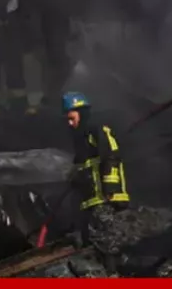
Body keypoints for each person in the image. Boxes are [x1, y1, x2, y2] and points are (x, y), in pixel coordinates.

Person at [62, 92, 130, 251]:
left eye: (72, 118)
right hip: (92, 200)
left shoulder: (96, 129)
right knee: (95, 241)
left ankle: (115, 265)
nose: (70, 123)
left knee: (109, 241)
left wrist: (110, 188)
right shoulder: (80, 139)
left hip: (106, 199)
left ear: (82, 113)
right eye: (67, 120)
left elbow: (111, 155)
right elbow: (83, 166)